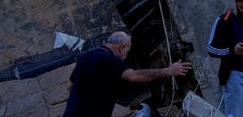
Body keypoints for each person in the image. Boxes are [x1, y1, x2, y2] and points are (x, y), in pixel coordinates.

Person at [63, 31, 191, 117]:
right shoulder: (110, 60)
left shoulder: (87, 56)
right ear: (121, 47)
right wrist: (169, 70)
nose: (125, 56)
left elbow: (69, 86)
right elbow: (135, 76)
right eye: (127, 51)